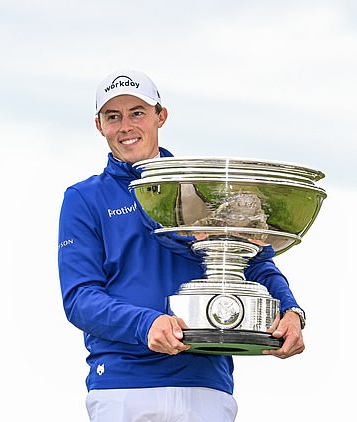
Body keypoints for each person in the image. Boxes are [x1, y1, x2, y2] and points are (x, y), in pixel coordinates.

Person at [57, 70, 306, 422]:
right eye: (113, 116)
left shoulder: (203, 187)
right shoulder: (84, 198)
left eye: (137, 112)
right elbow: (80, 299)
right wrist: (146, 325)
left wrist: (292, 313)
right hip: (122, 388)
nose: (126, 125)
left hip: (206, 385)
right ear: (99, 125)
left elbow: (255, 262)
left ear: (161, 116)